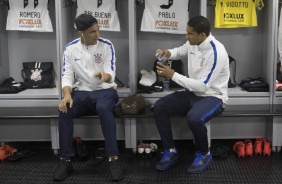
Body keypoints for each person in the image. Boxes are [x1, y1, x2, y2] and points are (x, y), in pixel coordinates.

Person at [154, 15, 229, 174]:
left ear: (202, 35)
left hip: (213, 96)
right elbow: (181, 50)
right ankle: (171, 151)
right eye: (186, 33)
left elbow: (203, 86)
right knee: (159, 107)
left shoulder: (217, 52)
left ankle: (204, 154)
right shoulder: (193, 43)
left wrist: (172, 75)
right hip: (193, 93)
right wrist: (167, 53)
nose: (186, 36)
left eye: (189, 34)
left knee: (194, 118)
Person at [53, 14, 123, 182]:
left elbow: (111, 71)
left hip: (105, 91)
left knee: (103, 108)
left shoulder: (106, 45)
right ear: (81, 33)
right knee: (65, 109)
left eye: (98, 30)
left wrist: (105, 76)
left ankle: (113, 159)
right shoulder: (70, 49)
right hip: (82, 93)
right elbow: (67, 75)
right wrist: (67, 95)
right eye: (92, 32)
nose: (97, 35)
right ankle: (65, 160)